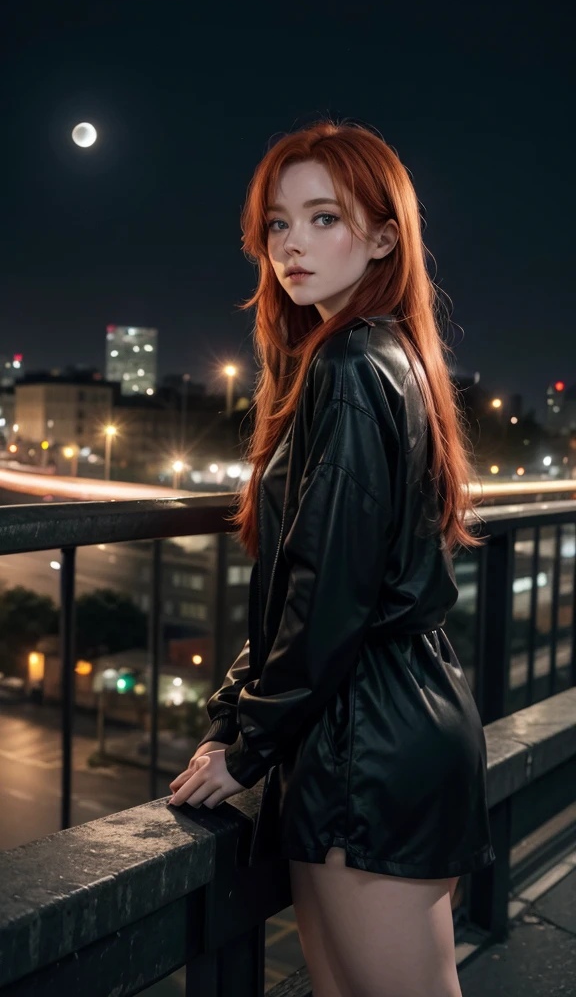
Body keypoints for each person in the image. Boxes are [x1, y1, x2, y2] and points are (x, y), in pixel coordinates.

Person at [168, 118, 495, 997]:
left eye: (324, 218)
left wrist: (245, 744)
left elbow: (330, 591)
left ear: (385, 235)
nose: (291, 245)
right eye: (278, 223)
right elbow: (311, 583)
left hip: (368, 739)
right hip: (380, 722)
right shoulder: (382, 355)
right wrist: (242, 716)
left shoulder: (351, 363)